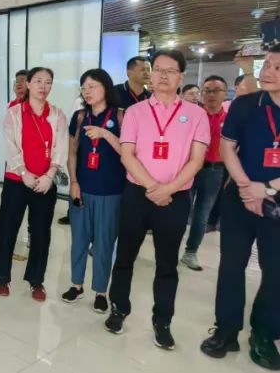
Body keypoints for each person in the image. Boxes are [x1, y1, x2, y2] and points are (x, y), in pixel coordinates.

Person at [105, 49, 208, 350]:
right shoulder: (135, 111)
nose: (162, 75)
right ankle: (118, 308)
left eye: (169, 70)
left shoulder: (196, 114)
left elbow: (197, 159)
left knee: (167, 263)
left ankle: (162, 321)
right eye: (157, 69)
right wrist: (153, 188)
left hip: (176, 198)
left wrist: (169, 189)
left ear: (181, 76)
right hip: (137, 195)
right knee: (125, 256)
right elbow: (127, 154)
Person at [199, 46, 280, 369]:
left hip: (276, 201)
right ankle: (226, 329)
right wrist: (247, 187)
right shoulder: (247, 104)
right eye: (267, 64)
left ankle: (264, 333)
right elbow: (227, 147)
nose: (268, 70)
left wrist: (268, 188)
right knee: (231, 265)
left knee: (276, 270)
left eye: (277, 67)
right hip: (239, 198)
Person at [0, 67, 68, 301]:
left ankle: (36, 280)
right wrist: (23, 172)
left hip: (45, 183)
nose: (43, 86)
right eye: (38, 81)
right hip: (17, 180)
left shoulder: (57, 114)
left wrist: (49, 175)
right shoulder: (14, 113)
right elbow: (10, 145)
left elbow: (61, 146)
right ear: (28, 84)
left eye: (48, 82)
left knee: (41, 232)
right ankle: (2, 277)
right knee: (8, 229)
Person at [63, 69, 125, 313]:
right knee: (79, 241)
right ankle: (76, 285)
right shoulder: (80, 117)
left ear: (105, 88)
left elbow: (128, 153)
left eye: (92, 86)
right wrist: (74, 182)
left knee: (104, 244)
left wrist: (105, 134)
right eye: (84, 87)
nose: (87, 91)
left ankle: (100, 291)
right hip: (83, 189)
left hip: (111, 192)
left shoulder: (121, 116)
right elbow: (72, 152)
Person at [181, 75, 227, 271]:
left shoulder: (230, 119)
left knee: (202, 213)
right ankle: (170, 248)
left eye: (216, 90)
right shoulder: (193, 115)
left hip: (214, 170)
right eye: (207, 90)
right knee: (181, 210)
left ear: (225, 94)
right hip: (189, 167)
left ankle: (191, 252)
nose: (211, 94)